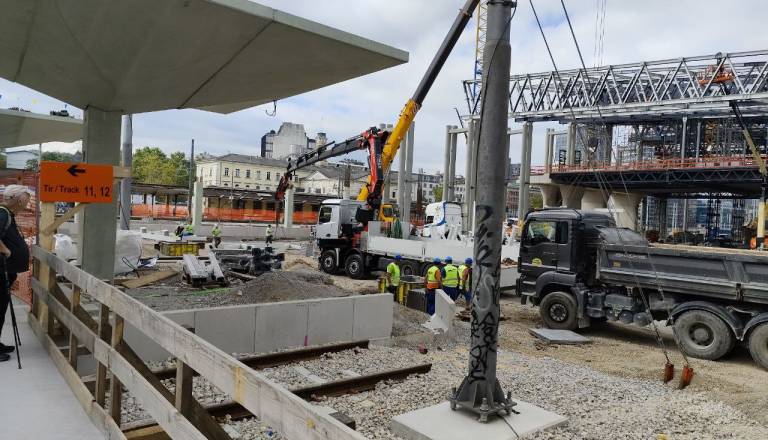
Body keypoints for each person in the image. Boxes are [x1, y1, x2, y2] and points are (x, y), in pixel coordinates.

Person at [0, 185, 32, 363]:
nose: (28, 202)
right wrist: (6, 251)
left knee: (1, 307)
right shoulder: (3, 214)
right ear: (19, 199)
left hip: (6, 270)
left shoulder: (7, 214)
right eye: (27, 198)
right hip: (1, 269)